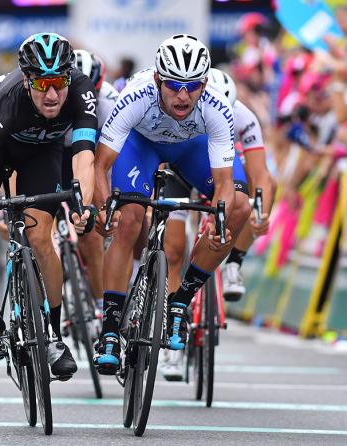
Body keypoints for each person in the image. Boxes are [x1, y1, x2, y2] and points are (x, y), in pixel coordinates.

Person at [91, 34, 251, 375]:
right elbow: (101, 166)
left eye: (192, 86)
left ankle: (180, 302)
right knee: (129, 218)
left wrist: (218, 224)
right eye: (174, 85)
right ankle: (110, 327)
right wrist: (104, 209)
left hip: (191, 148)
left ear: (205, 83)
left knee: (238, 207)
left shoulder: (216, 107)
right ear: (157, 80)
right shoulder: (135, 96)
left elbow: (223, 184)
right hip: (141, 145)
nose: (183, 95)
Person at [0, 32, 98, 378]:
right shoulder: (8, 97)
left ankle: (53, 333)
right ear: (27, 80)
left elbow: (84, 158)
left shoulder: (81, 90)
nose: (51, 94)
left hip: (43, 152)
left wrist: (84, 206)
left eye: (58, 82)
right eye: (42, 83)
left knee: (41, 236)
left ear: (69, 77)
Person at [159, 68, 276, 380]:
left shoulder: (244, 116)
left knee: (256, 199)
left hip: (222, 176)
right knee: (172, 251)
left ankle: (233, 260)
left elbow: (261, 173)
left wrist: (260, 210)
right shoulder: (186, 107)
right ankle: (172, 341)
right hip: (182, 173)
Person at [65, 50, 118, 307]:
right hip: (59, 154)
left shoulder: (110, 102)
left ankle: (99, 303)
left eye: (91, 93)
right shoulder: (53, 98)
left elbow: (108, 163)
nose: (84, 99)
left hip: (95, 157)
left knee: (91, 233)